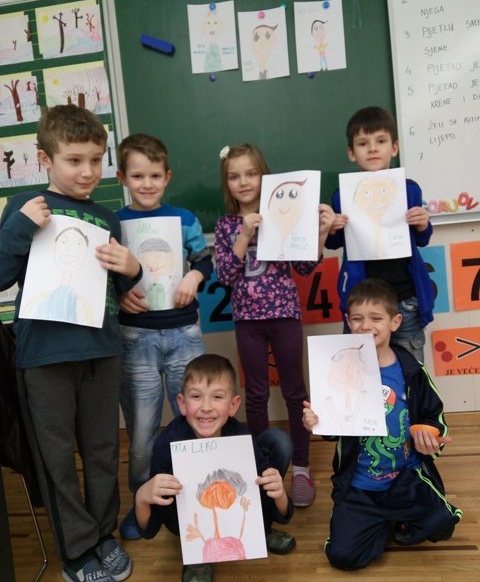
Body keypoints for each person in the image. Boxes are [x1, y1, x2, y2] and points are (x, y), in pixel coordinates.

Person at [0, 105, 142, 582]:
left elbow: (117, 292)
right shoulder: (25, 206)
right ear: (45, 159)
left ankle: (103, 534)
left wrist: (133, 269)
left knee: (103, 450)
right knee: (56, 459)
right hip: (44, 357)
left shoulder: (107, 218)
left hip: (102, 351)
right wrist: (20, 227)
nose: (88, 171)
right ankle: (77, 551)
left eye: (96, 160)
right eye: (74, 160)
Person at [303, 278, 462, 571]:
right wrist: (316, 421)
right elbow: (333, 430)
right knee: (342, 557)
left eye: (376, 318)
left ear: (395, 322)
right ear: (348, 321)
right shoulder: (338, 369)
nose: (366, 326)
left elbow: (434, 416)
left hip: (404, 478)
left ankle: (395, 520)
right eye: (357, 319)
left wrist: (430, 435)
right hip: (359, 484)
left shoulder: (412, 371)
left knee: (442, 524)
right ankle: (378, 523)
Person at [215, 143, 335, 507]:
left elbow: (304, 267)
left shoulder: (286, 215)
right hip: (247, 322)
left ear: (264, 177)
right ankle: (262, 468)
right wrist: (244, 234)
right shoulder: (226, 225)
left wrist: (321, 233)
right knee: (255, 394)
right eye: (234, 176)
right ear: (226, 183)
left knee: (295, 392)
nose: (243, 182)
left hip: (285, 316)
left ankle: (301, 468)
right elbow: (225, 275)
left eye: (251, 174)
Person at [115, 133, 213, 539]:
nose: (147, 183)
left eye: (155, 175)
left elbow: (204, 259)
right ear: (122, 177)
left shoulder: (184, 219)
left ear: (167, 176)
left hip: (183, 333)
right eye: (138, 176)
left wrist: (195, 275)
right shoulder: (113, 223)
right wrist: (119, 294)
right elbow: (105, 275)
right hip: (135, 337)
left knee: (198, 419)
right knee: (141, 432)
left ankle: (203, 495)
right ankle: (143, 504)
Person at [135, 353, 296, 582]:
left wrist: (279, 493)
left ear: (233, 405)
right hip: (185, 521)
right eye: (196, 396)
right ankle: (196, 555)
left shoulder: (241, 437)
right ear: (182, 404)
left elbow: (278, 507)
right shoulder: (167, 445)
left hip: (238, 506)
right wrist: (142, 498)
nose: (206, 407)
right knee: (172, 496)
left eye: (217, 397)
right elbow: (150, 528)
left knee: (279, 442)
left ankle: (262, 529)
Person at [326, 106, 434, 362]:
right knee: (360, 368)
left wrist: (422, 224)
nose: (372, 149)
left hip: (404, 298)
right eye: (363, 143)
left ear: (394, 148)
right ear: (352, 153)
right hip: (361, 302)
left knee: (410, 367)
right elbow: (334, 243)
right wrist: (332, 227)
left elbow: (421, 239)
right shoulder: (342, 195)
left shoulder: (409, 190)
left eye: (381, 141)